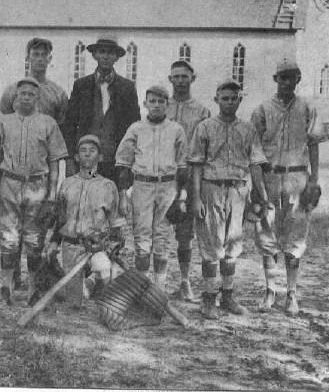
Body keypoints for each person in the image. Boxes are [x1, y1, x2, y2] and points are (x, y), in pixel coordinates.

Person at [188, 79, 269, 319]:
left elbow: (255, 163)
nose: (230, 102)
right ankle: (209, 298)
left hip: (237, 191)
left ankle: (228, 295)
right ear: (216, 100)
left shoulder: (248, 129)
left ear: (239, 100)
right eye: (225, 98)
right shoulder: (205, 127)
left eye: (234, 98)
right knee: (212, 247)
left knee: (232, 246)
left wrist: (261, 194)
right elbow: (196, 165)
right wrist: (196, 198)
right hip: (211, 189)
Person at [251, 59, 326, 316]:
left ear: (298, 79)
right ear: (276, 79)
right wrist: (257, 185)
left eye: (291, 77)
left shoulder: (307, 108)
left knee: (295, 238)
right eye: (282, 77)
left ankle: (292, 293)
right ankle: (270, 290)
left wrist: (314, 181)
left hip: (296, 177)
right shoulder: (262, 109)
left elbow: (314, 144)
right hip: (270, 176)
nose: (286, 82)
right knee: (267, 234)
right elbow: (254, 149)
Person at [0, 77, 68, 306]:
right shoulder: (4, 122)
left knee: (34, 240)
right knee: (8, 238)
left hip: (37, 185)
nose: (26, 97)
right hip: (9, 183)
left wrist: (52, 192)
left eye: (31, 94)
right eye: (21, 93)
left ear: (37, 97)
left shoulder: (48, 123)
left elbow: (54, 161)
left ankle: (33, 290)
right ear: (15, 96)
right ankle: (6, 287)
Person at [0, 38, 69, 291]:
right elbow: (3, 126)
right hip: (12, 173)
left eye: (43, 55)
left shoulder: (57, 93)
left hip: (39, 173)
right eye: (34, 54)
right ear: (28, 57)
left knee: (33, 233)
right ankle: (11, 279)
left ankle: (34, 284)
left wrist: (53, 186)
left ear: (50, 59)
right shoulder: (11, 91)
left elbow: (60, 131)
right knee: (10, 233)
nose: (39, 59)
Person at [115, 85, 188, 291]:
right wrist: (123, 193)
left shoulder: (176, 129)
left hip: (167, 185)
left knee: (163, 236)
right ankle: (140, 288)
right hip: (142, 184)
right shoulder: (136, 128)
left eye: (161, 101)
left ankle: (158, 290)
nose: (156, 105)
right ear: (145, 104)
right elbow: (123, 163)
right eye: (152, 101)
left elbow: (183, 166)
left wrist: (181, 197)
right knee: (142, 235)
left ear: (167, 104)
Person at [46, 134, 126, 308]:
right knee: (74, 304)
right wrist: (53, 243)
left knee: (103, 276)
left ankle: (102, 279)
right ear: (76, 157)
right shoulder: (67, 184)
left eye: (92, 151)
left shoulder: (108, 186)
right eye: (83, 151)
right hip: (72, 246)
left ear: (100, 157)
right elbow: (60, 219)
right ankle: (87, 285)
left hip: (96, 248)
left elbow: (116, 224)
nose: (87, 154)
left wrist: (113, 247)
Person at [62, 37, 141, 182]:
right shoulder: (81, 85)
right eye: (102, 52)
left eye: (110, 53)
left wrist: (128, 164)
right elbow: (69, 124)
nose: (106, 56)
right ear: (95, 55)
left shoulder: (127, 87)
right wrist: (70, 159)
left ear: (116, 57)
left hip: (115, 160)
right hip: (86, 159)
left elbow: (135, 126)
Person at [166, 60, 211, 301]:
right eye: (176, 76)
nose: (181, 81)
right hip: (164, 177)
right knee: (160, 230)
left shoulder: (202, 111)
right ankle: (158, 283)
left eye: (185, 76)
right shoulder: (163, 106)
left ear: (192, 79)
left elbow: (207, 145)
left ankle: (185, 281)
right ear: (170, 79)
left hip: (191, 176)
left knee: (186, 232)